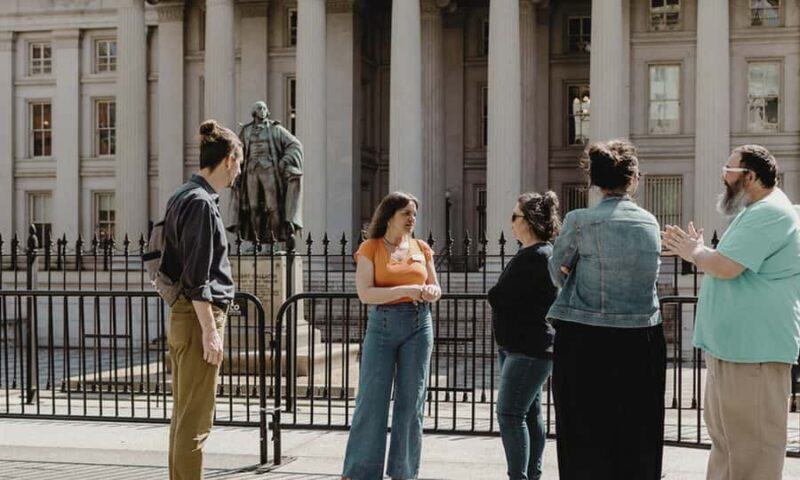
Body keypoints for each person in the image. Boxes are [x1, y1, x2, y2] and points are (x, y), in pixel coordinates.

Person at [662, 145, 800, 480]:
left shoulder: (771, 212)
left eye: (729, 169)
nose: (723, 177)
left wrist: (694, 251)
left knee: (753, 451)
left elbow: (725, 267)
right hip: (736, 349)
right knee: (729, 445)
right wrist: (699, 251)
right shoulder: (756, 212)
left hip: (754, 351)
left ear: (750, 176)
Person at [547, 140, 666, 480]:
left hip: (585, 337)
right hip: (642, 337)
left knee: (583, 433)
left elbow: (557, 272)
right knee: (636, 434)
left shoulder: (579, 220)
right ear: (634, 179)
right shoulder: (649, 222)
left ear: (594, 181)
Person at [161, 120, 243, 480]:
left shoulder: (182, 195)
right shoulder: (201, 203)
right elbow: (198, 277)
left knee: (184, 415)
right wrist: (211, 331)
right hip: (198, 319)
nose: (238, 173)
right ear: (228, 160)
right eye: (239, 164)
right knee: (195, 420)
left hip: (184, 317)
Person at [341, 192, 442, 480]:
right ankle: (360, 472)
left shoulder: (422, 248)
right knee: (372, 400)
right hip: (382, 326)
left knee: (412, 404)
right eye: (406, 214)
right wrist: (405, 291)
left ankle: (404, 472)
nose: (412, 219)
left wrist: (431, 292)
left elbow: (435, 287)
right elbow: (365, 293)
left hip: (419, 325)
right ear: (389, 216)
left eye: (414, 214)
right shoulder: (370, 248)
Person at [488, 191, 560, 480]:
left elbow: (500, 296)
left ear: (528, 221)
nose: (511, 222)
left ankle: (519, 476)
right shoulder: (536, 254)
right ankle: (532, 475)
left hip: (526, 349)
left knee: (509, 414)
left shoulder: (536, 256)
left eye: (515, 216)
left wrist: (495, 294)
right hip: (523, 347)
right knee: (529, 414)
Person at [229, 100, 303, 242]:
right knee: (253, 207)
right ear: (254, 112)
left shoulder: (275, 129)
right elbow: (236, 149)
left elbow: (295, 144)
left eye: (264, 108)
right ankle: (256, 242)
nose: (262, 110)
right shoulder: (246, 130)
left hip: (268, 170)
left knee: (272, 207)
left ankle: (274, 240)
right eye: (259, 108)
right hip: (251, 171)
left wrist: (284, 161)